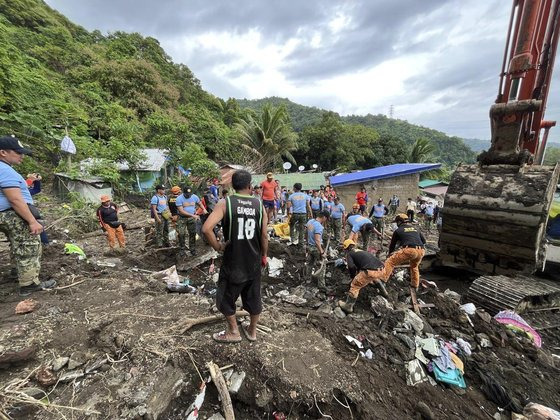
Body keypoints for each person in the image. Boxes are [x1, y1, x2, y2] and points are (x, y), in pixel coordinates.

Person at [202, 170, 268, 343]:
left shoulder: (225, 203)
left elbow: (206, 229)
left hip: (234, 261)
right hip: (253, 260)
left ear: (232, 186)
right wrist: (264, 256)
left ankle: (233, 331)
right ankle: (252, 332)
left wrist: (218, 247)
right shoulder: (259, 205)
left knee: (225, 298)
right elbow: (264, 236)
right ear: (249, 186)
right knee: (254, 297)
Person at [0, 136, 55, 295]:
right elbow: (15, 199)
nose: (21, 156)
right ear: (3, 152)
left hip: (5, 215)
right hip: (11, 214)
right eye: (18, 153)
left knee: (16, 242)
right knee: (28, 245)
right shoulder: (4, 169)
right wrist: (32, 221)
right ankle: (29, 284)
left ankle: (16, 272)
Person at [338, 239, 387, 313]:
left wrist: (353, 277)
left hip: (370, 271)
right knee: (373, 277)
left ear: (346, 248)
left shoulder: (349, 254)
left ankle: (348, 306)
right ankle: (384, 292)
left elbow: (351, 267)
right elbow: (361, 264)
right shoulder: (359, 251)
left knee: (355, 285)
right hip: (381, 269)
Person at [382, 214, 426, 290]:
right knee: (414, 266)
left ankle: (382, 280)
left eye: (397, 222)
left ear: (399, 222)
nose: (396, 224)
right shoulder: (416, 228)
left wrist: (390, 254)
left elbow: (392, 245)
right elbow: (424, 241)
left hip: (410, 250)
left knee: (390, 262)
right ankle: (415, 285)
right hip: (421, 251)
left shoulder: (398, 230)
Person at [176, 186, 206, 256]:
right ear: (183, 193)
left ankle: (192, 249)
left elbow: (200, 203)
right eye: (187, 194)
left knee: (192, 233)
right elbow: (181, 210)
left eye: (189, 194)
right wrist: (193, 215)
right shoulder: (179, 198)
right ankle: (182, 249)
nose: (188, 196)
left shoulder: (194, 197)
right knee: (181, 234)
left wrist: (204, 209)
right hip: (182, 218)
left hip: (191, 219)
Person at [306, 210, 330, 289]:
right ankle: (321, 286)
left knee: (309, 264)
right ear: (324, 217)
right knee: (321, 266)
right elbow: (317, 240)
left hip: (309, 246)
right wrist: (322, 252)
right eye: (326, 219)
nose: (325, 221)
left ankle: (308, 280)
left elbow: (306, 233)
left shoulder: (310, 221)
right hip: (316, 248)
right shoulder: (319, 226)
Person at [26, 173, 49, 245]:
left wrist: (36, 181)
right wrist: (30, 180)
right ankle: (44, 243)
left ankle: (44, 244)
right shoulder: (12, 190)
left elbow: (36, 189)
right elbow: (21, 187)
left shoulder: (25, 191)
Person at [287, 183, 311, 247]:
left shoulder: (291, 196)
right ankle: (301, 243)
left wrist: (288, 213)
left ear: (295, 188)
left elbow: (288, 206)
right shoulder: (305, 196)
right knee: (302, 228)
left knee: (291, 225)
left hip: (295, 213)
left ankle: (293, 239)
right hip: (303, 214)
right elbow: (308, 206)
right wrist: (310, 214)